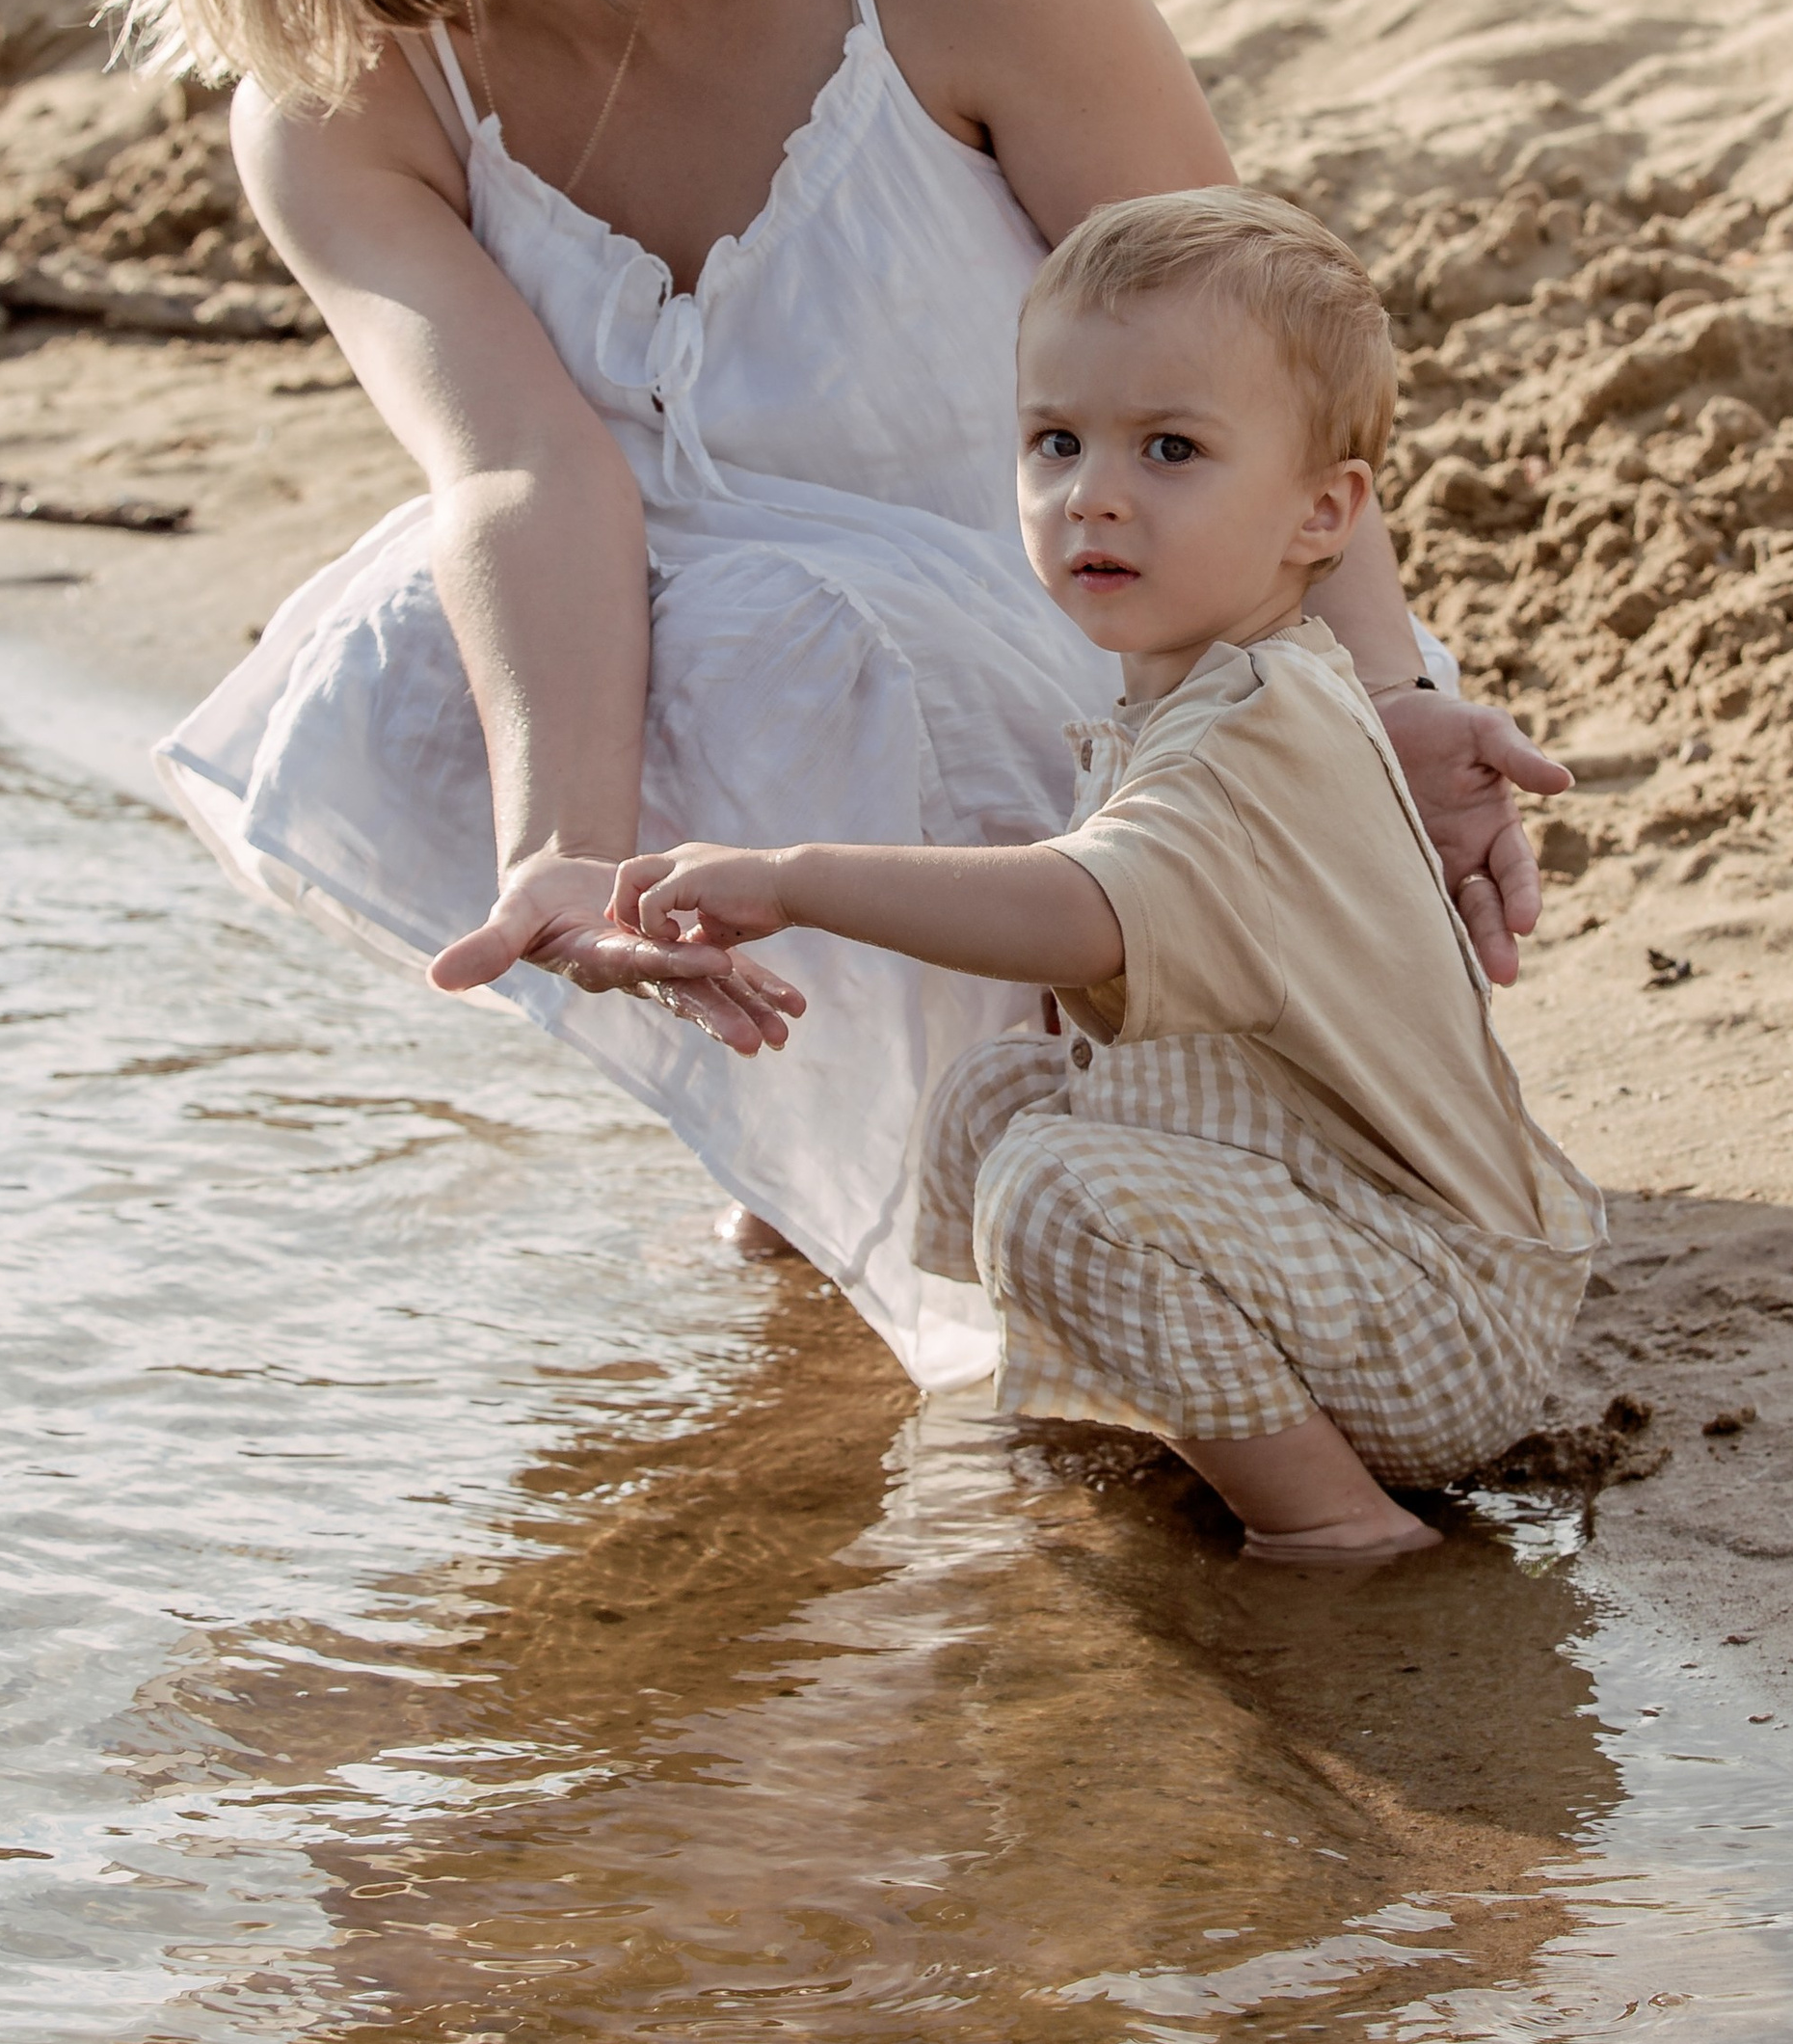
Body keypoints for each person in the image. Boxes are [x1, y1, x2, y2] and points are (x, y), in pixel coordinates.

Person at [98, 0, 1569, 1382]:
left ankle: (1060, 1111)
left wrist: (1389, 716)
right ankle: (833, 1110)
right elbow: (532, 479)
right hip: (795, 749)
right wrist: (566, 848)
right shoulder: (348, 100)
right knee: (427, 627)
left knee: (775, 613)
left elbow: (1260, 361)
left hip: (1140, 744)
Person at [614, 189, 1603, 1555]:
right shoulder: (1192, 689)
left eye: (1174, 448)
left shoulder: (1256, 727)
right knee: (999, 1094)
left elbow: (1080, 911)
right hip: (1333, 1240)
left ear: (1324, 510)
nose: (1097, 492)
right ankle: (1097, 1399)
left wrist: (792, 877)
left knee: (1056, 1190)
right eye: (1056, 440)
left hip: (1439, 1320)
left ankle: (1335, 1525)